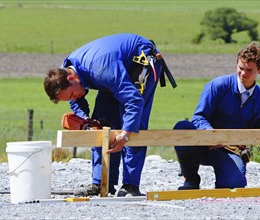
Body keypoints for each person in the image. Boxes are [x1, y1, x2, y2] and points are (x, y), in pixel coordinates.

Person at [44, 33, 175, 197]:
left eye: (71, 95)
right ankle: (101, 183)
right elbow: (77, 103)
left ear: (71, 78)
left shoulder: (101, 70)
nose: (73, 99)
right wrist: (86, 120)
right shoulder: (67, 69)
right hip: (113, 69)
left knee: (134, 124)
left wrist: (125, 135)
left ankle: (130, 185)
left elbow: (134, 101)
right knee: (101, 125)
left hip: (140, 61)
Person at [174, 41, 260, 190]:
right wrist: (210, 134)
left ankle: (227, 174)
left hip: (231, 150)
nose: (243, 74)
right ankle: (191, 178)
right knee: (182, 127)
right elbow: (199, 117)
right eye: (240, 68)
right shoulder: (217, 86)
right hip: (203, 145)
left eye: (249, 70)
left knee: (233, 185)